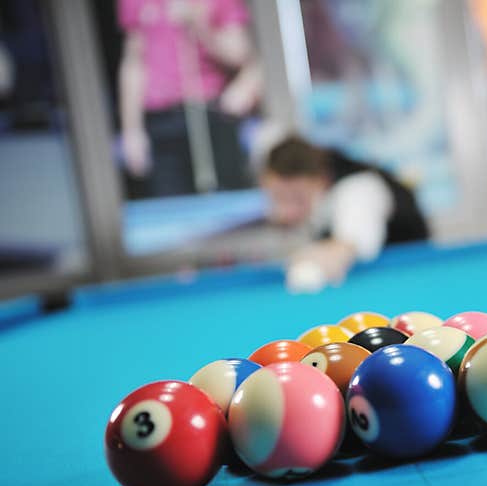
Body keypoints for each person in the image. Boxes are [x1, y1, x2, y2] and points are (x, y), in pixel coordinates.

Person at [117, 0, 261, 197]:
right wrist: (132, 129)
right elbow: (134, 61)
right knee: (171, 204)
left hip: (211, 113)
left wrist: (200, 25)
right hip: (162, 119)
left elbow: (240, 55)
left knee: (224, 198)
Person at [260, 134, 429, 292]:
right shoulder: (316, 195)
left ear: (321, 181)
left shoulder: (358, 189)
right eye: (278, 198)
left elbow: (348, 245)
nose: (286, 211)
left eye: (297, 198)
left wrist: (322, 257)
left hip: (409, 279)